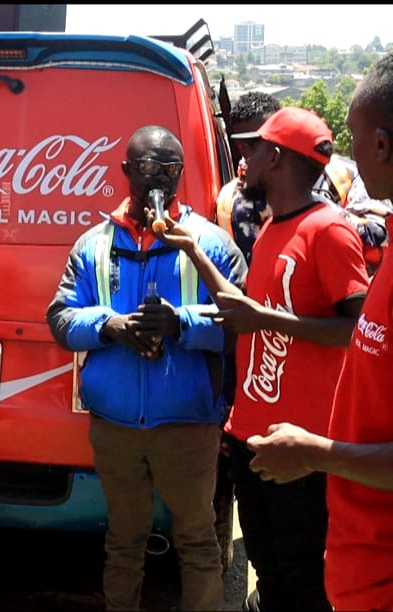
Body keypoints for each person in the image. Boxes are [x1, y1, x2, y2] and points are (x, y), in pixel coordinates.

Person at [157, 106, 370, 611]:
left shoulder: (329, 230)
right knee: (270, 571)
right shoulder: (276, 227)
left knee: (301, 581)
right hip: (253, 433)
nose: (243, 161)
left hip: (301, 445)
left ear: (275, 157)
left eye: (252, 150)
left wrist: (267, 322)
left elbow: (359, 332)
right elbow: (246, 309)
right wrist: (192, 250)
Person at [46, 125, 247, 611]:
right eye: (145, 168)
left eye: (169, 168)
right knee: (123, 542)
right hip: (114, 427)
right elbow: (60, 317)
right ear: (125, 172)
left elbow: (244, 325)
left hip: (188, 426)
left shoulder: (212, 244)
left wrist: (182, 323)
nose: (157, 178)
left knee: (198, 543)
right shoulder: (93, 243)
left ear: (180, 172)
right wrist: (111, 325)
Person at [244, 53, 393, 611]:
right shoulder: (270, 227)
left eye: (353, 140)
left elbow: (345, 326)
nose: (346, 160)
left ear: (380, 144)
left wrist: (321, 451)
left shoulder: (330, 229)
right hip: (354, 553)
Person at [216, 91, 392, 272]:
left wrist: (306, 204)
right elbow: (238, 270)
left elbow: (383, 239)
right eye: (250, 145)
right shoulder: (230, 200)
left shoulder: (343, 173)